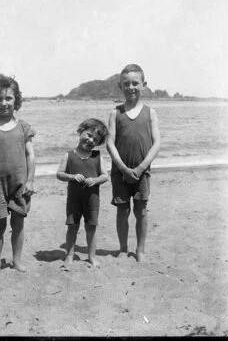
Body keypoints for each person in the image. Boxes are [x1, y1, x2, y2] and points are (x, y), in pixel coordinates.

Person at [0, 74, 36, 273]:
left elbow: (30, 155)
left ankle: (16, 261)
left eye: (9, 98)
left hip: (20, 185)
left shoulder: (24, 127)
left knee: (18, 225)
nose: (4, 103)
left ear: (16, 100)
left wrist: (30, 181)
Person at [106, 64, 160, 262]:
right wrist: (122, 168)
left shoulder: (150, 113)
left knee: (141, 211)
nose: (131, 87)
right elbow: (109, 143)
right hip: (120, 172)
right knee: (123, 210)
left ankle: (140, 250)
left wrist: (139, 168)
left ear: (143, 85)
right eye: (126, 84)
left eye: (135, 83)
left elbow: (157, 144)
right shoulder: (114, 113)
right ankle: (122, 248)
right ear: (120, 86)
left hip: (141, 172)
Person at [57, 118, 109, 267]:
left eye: (96, 139)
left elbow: (105, 175)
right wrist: (71, 176)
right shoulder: (69, 155)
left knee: (91, 227)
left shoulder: (97, 156)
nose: (91, 140)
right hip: (74, 199)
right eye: (89, 135)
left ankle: (91, 256)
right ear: (81, 131)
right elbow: (59, 174)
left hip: (92, 199)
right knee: (72, 226)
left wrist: (95, 180)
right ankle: (69, 255)